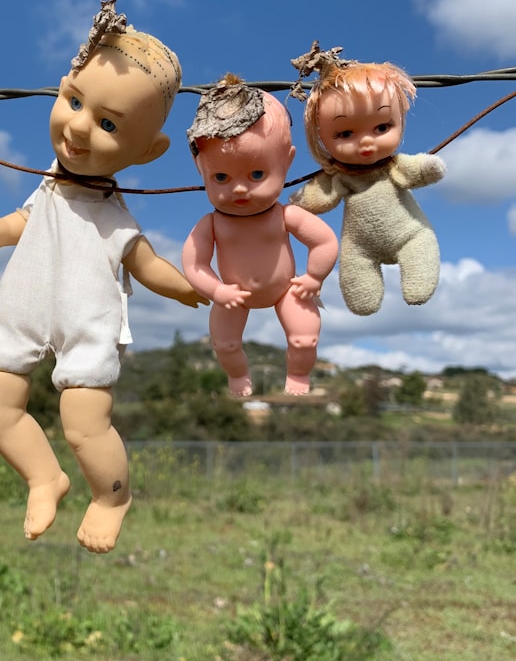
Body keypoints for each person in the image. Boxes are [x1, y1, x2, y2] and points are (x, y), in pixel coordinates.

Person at [0, 2, 205, 554]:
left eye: (109, 124)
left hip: (88, 321)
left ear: (148, 151)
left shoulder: (113, 217)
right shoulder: (44, 192)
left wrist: (189, 288)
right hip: (20, 310)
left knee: (85, 426)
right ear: (60, 91)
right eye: (75, 102)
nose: (80, 126)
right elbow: (10, 227)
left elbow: (147, 264)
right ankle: (44, 478)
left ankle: (111, 497)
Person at [182, 76, 338, 397]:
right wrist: (217, 290)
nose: (240, 188)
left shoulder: (284, 215)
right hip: (232, 294)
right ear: (201, 169)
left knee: (304, 338)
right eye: (221, 177)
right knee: (225, 344)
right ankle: (238, 376)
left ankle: (299, 373)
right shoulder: (213, 223)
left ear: (287, 162)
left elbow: (323, 241)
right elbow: (194, 264)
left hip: (287, 290)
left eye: (257, 174)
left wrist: (314, 276)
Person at [290, 43, 445, 316]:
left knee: (420, 247)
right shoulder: (341, 177)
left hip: (409, 233)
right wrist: (300, 200)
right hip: (359, 245)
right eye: (345, 134)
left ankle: (417, 280)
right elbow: (320, 196)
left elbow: (421, 169)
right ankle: (365, 295)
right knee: (359, 285)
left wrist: (429, 167)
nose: (365, 142)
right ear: (320, 136)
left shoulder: (394, 166)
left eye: (382, 127)